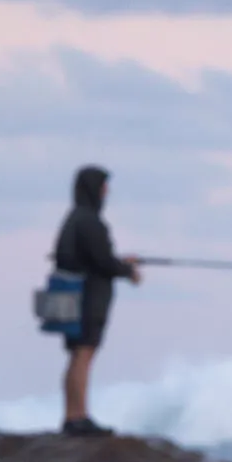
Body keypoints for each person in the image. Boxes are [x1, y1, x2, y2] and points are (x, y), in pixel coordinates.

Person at [53, 165, 141, 437]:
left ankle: (72, 416)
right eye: (104, 187)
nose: (107, 192)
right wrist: (128, 271)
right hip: (89, 298)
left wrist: (118, 263)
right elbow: (103, 262)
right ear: (95, 189)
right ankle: (78, 418)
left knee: (77, 355)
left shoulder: (73, 219)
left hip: (73, 294)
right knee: (84, 354)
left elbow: (84, 256)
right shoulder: (91, 222)